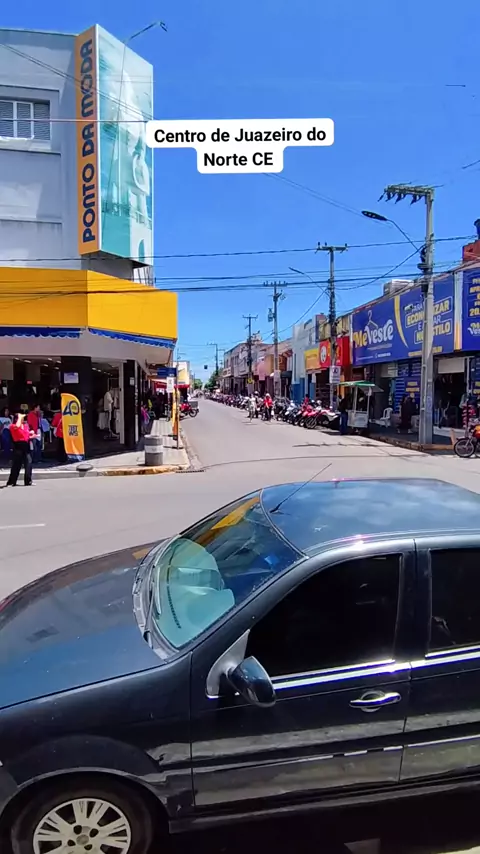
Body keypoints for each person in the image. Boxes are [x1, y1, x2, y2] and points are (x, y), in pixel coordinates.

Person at [6, 412, 35, 487]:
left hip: (26, 445)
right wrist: (19, 417)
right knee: (16, 465)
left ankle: (28, 481)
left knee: (29, 463)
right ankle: (12, 482)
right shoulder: (12, 426)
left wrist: (32, 436)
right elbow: (17, 426)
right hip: (18, 446)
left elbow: (26, 436)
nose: (23, 419)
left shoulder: (25, 426)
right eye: (21, 418)